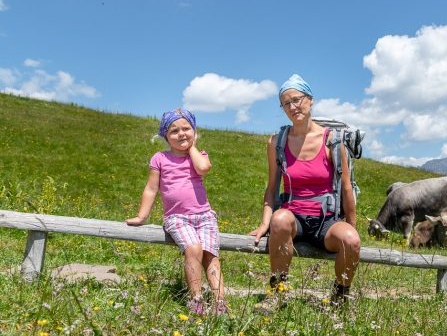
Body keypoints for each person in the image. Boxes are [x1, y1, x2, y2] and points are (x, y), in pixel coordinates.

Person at [250, 74, 361, 308]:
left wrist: (352, 226)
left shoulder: (332, 140)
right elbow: (272, 189)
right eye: (286, 103)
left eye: (297, 99)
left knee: (350, 240)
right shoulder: (276, 142)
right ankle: (278, 293)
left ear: (310, 99)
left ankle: (340, 298)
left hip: (327, 220)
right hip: (294, 218)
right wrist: (264, 223)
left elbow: (347, 188)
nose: (293, 107)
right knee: (279, 220)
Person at [126, 108, 228, 315]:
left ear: (194, 132)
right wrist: (142, 216)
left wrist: (193, 147)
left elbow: (204, 168)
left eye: (186, 129)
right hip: (177, 217)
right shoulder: (160, 158)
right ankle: (196, 299)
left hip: (205, 216)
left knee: (211, 255)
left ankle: (219, 302)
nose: (181, 134)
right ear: (165, 136)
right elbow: (151, 188)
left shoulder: (198, 156)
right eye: (174, 131)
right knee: (193, 249)